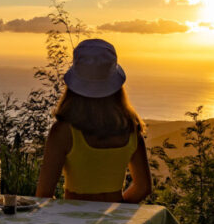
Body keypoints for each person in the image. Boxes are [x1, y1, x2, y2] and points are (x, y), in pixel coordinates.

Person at [35, 39, 152, 204]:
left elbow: (44, 194)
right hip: (113, 219)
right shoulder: (131, 128)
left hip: (73, 217)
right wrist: (117, 209)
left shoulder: (63, 132)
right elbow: (143, 187)